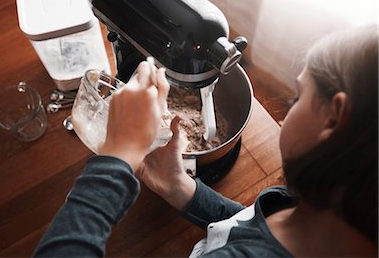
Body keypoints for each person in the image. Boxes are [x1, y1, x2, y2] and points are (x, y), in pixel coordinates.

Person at [33, 25, 378, 257]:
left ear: (332, 119)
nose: (286, 114)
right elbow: (249, 225)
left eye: (298, 97)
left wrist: (117, 158)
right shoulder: (320, 207)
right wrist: (179, 188)